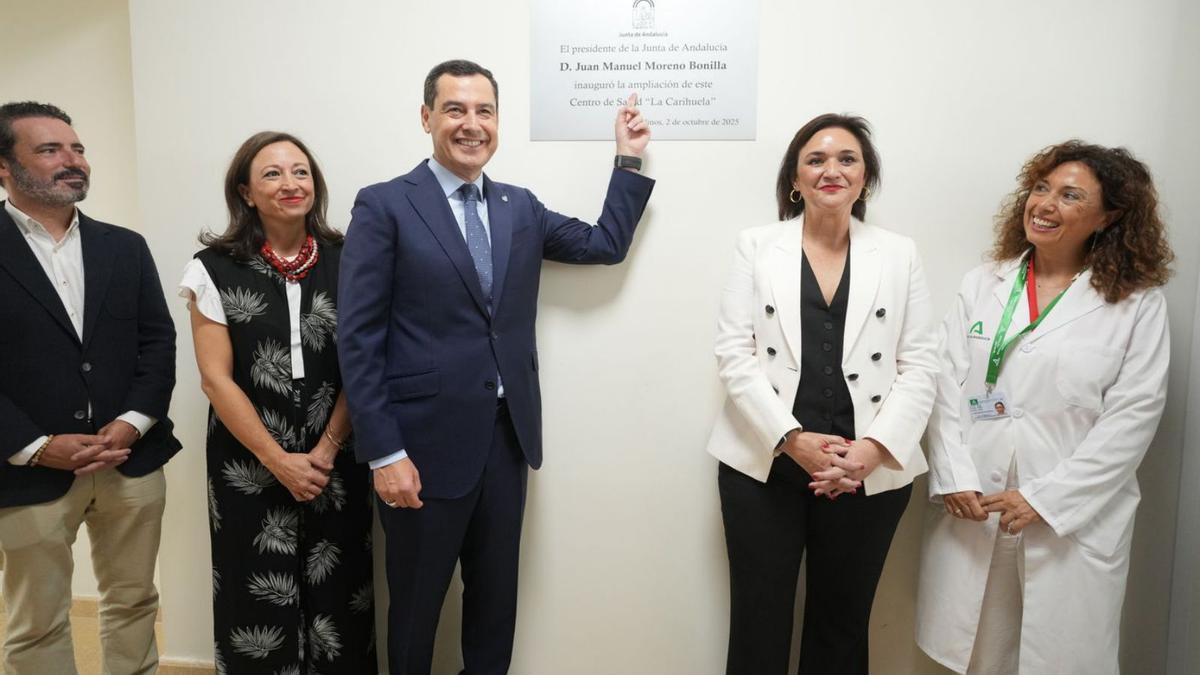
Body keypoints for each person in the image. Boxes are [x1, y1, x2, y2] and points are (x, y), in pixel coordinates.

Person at [338, 59, 653, 674]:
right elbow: (358, 336)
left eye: (484, 111)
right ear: (427, 117)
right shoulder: (384, 206)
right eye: (455, 109)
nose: (471, 124)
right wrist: (383, 452)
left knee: (494, 605)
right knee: (416, 608)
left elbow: (602, 245)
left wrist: (629, 159)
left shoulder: (518, 207)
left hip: (507, 440)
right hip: (418, 451)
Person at [916, 141, 1173, 674]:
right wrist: (954, 472)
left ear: (1110, 216)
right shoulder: (983, 283)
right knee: (978, 653)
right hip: (979, 503)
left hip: (1067, 517)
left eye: (1070, 195)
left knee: (1060, 656)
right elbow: (940, 381)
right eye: (1040, 188)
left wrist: (1047, 501)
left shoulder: (1137, 304)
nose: (1045, 204)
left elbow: (1131, 420)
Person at [705, 113, 938, 674]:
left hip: (866, 470)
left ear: (865, 178)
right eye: (815, 159)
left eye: (847, 159)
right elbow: (733, 354)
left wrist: (873, 450)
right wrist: (791, 439)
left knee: (842, 625)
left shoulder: (899, 253)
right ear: (795, 178)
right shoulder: (757, 246)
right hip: (765, 465)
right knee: (758, 623)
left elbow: (922, 363)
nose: (831, 170)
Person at [181, 131, 375, 673]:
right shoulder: (212, 267)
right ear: (245, 191)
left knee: (342, 595)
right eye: (272, 174)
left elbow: (365, 363)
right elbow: (215, 380)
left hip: (336, 456)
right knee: (255, 599)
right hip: (248, 462)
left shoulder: (353, 258)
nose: (290, 184)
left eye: (301, 172)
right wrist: (277, 460)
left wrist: (327, 448)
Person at [0, 101, 180, 674]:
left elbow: (158, 342)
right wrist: (34, 446)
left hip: (131, 458)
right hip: (28, 469)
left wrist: (133, 421)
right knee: (38, 620)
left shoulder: (123, 246)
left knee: (135, 603)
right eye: (50, 150)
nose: (72, 160)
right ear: (5, 167)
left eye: (76, 148)